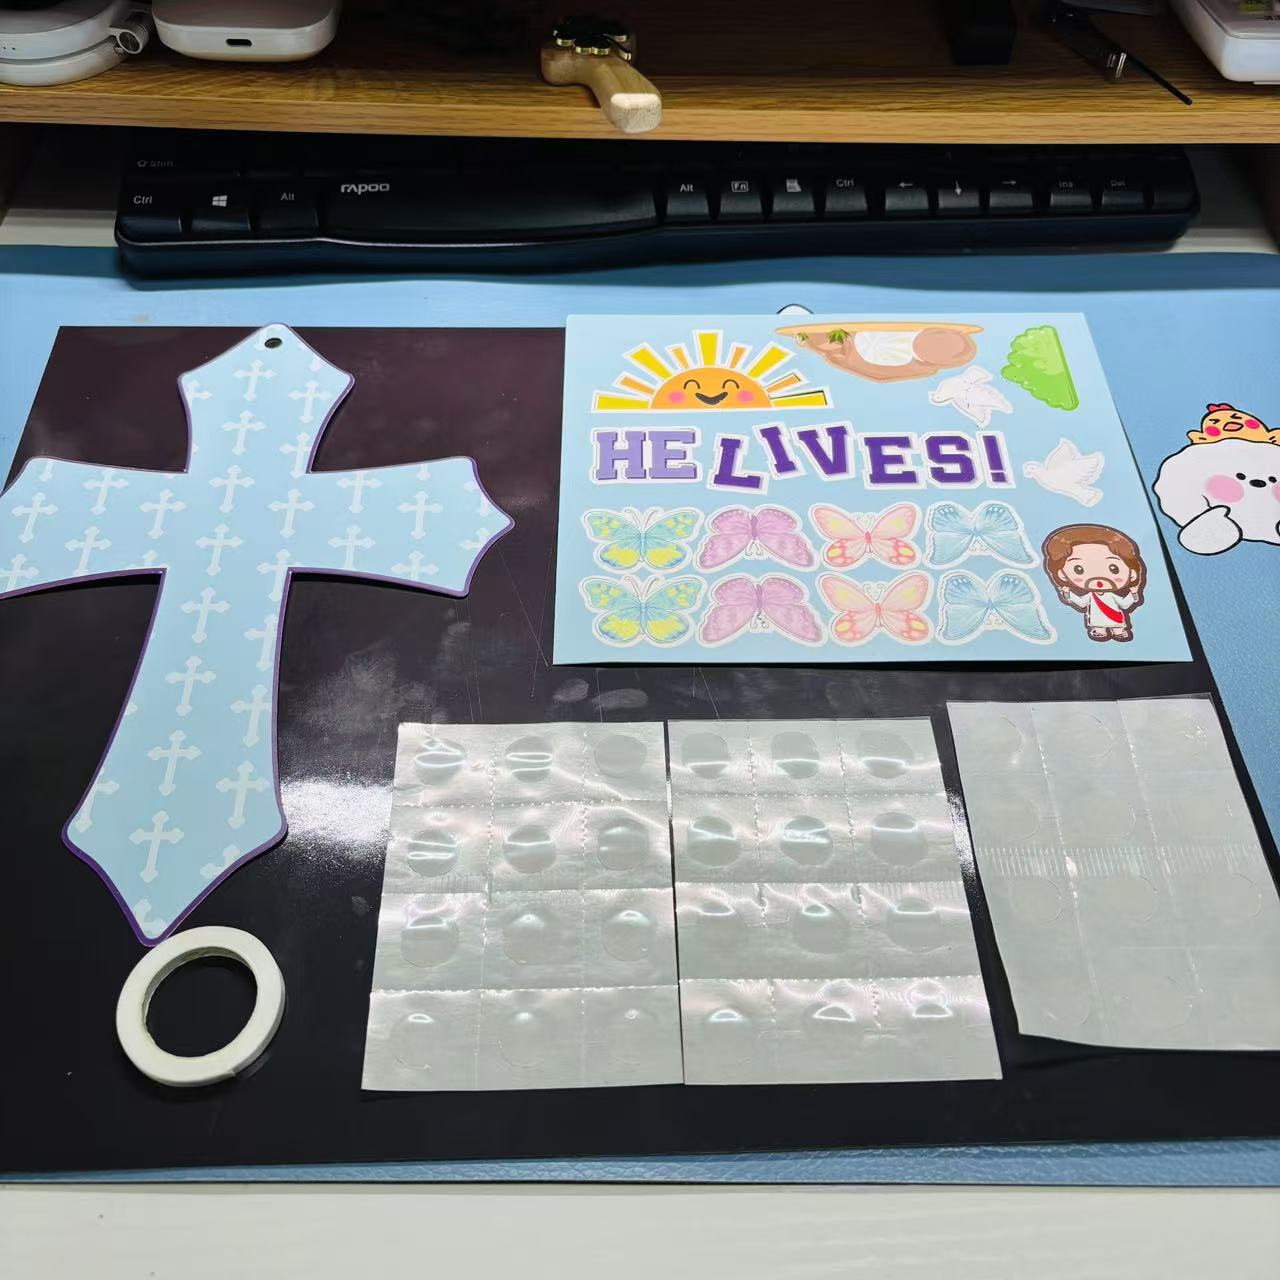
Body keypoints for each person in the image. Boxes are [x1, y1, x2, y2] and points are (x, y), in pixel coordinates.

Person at [1041, 524, 1146, 643]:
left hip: (1115, 617)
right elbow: (1081, 602)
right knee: (1098, 626)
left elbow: (1124, 604)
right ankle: (1100, 631)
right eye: (1079, 569)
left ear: (1132, 573)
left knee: (1117, 626)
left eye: (1114, 568)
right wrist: (1067, 593)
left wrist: (1133, 594)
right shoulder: (1091, 596)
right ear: (1062, 574)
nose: (1098, 578)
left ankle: (1119, 632)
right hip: (1097, 618)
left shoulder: (1111, 595)